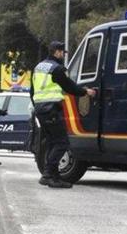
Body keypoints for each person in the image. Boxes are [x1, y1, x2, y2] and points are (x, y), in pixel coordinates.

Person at [30, 41, 96, 188]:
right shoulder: (57, 69)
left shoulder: (38, 67)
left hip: (41, 109)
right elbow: (69, 87)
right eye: (62, 53)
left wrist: (37, 107)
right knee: (62, 142)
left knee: (53, 142)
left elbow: (32, 91)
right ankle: (47, 175)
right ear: (56, 52)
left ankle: (55, 177)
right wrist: (86, 91)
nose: (63, 56)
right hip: (51, 109)